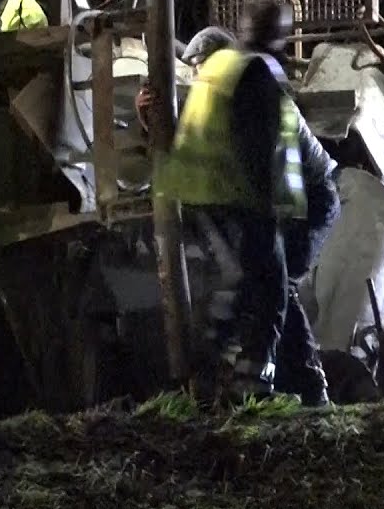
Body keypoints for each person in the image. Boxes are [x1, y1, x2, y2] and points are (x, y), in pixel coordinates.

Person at [144, 25, 340, 405]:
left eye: (203, 66)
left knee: (276, 283)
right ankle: (299, 385)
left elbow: (276, 169)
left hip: (311, 200)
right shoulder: (226, 99)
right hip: (281, 200)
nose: (200, 76)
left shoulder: (255, 97)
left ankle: (305, 385)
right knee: (270, 284)